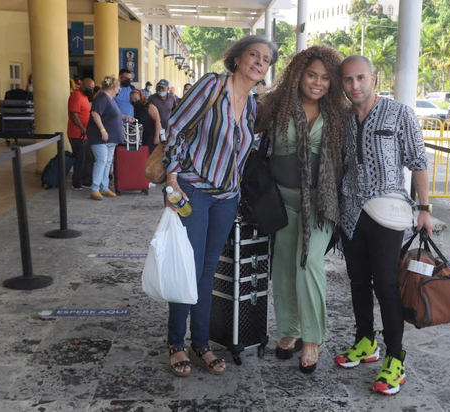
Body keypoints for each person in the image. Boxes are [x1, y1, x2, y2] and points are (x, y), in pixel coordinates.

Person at [163, 35, 277, 377]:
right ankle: (175, 343)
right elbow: (176, 127)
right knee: (189, 268)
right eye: (253, 55)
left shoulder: (255, 106)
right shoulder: (213, 86)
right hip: (193, 192)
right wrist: (172, 179)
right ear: (238, 59)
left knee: (208, 272)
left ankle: (201, 344)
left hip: (226, 198)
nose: (259, 62)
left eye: (266, 59)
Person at [335, 55, 432, 395]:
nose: (355, 86)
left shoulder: (399, 113)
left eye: (360, 78)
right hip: (352, 212)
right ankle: (365, 341)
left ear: (374, 78)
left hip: (389, 213)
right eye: (348, 80)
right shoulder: (344, 120)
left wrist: (424, 208)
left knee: (386, 284)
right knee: (358, 280)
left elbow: (418, 160)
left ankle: (395, 357)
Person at [255, 45, 345, 374]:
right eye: (311, 75)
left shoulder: (339, 113)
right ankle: (289, 330)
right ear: (298, 73)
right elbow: (241, 127)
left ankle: (312, 337)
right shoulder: (275, 105)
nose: (317, 82)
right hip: (281, 199)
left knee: (307, 266)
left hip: (320, 204)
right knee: (283, 268)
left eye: (324, 77)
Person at [86, 75, 135, 200]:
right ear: (113, 87)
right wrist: (103, 130)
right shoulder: (102, 97)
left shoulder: (110, 99)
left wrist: (125, 117)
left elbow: (113, 114)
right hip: (100, 137)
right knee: (102, 160)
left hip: (111, 138)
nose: (119, 89)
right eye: (118, 87)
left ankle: (104, 187)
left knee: (107, 162)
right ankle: (95, 188)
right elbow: (95, 114)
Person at [67, 77, 95, 190]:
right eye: (89, 87)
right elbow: (74, 114)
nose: (90, 90)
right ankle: (77, 182)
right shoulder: (76, 95)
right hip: (77, 134)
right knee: (80, 159)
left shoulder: (84, 97)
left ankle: (86, 181)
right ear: (82, 85)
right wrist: (82, 128)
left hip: (85, 134)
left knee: (88, 158)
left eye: (92, 88)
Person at [130, 89, 162, 155]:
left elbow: (157, 121)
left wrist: (156, 137)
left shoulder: (150, 106)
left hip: (151, 136)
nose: (134, 101)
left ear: (141, 97)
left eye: (136, 99)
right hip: (140, 137)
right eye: (132, 100)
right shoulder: (135, 108)